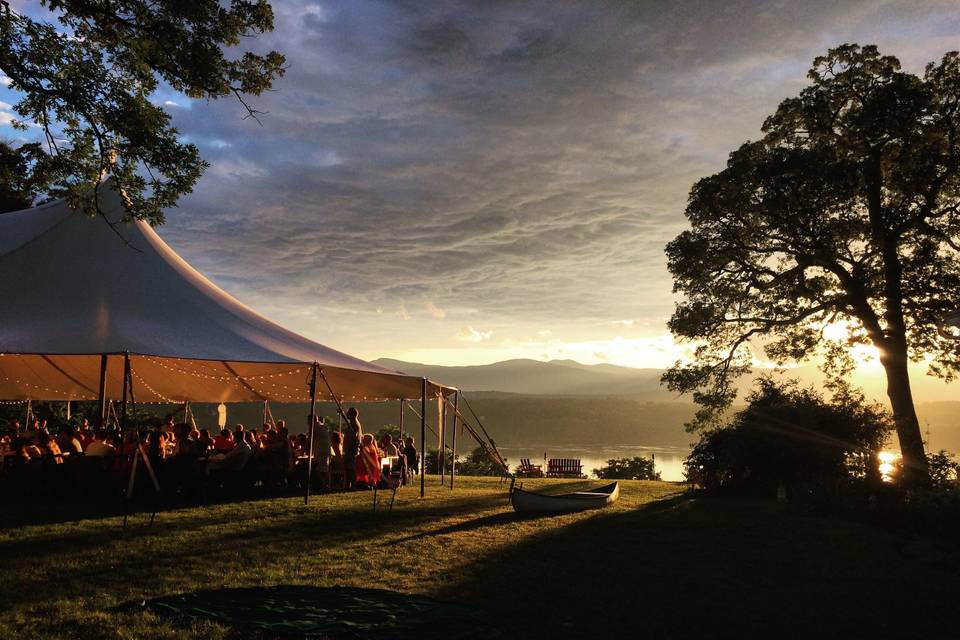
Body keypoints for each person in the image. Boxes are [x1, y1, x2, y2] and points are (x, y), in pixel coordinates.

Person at [310, 415, 331, 489]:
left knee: (318, 469)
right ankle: (327, 485)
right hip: (326, 450)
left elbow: (310, 440)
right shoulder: (322, 426)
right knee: (325, 469)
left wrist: (303, 451)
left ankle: (324, 485)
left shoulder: (314, 427)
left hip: (320, 451)